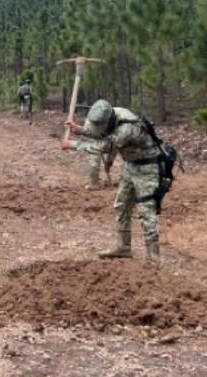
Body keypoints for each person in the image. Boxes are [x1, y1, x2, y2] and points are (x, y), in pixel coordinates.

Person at [61, 99, 163, 263]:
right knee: (121, 204)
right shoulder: (110, 113)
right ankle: (124, 247)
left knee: (146, 211)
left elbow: (104, 147)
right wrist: (79, 130)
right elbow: (101, 132)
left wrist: (73, 144)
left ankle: (154, 257)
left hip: (148, 167)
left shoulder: (126, 128)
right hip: (131, 165)